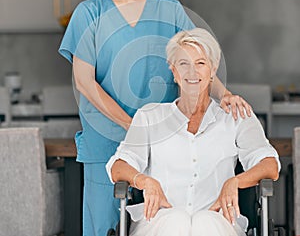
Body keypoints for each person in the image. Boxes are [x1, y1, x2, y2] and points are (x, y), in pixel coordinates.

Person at [59, 0, 252, 236]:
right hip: (105, 139)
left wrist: (224, 94)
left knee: (165, 223)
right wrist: (130, 125)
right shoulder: (89, 13)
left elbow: (196, 63)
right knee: (103, 227)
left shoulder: (170, 10)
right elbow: (84, 81)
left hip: (166, 142)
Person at [107, 28, 280, 236]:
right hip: (159, 222)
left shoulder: (236, 116)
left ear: (212, 69)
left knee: (205, 222)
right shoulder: (149, 116)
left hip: (218, 221)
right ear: (173, 70)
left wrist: (235, 181)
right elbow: (118, 167)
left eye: (200, 63)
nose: (192, 72)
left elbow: (269, 165)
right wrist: (145, 181)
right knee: (175, 220)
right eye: (183, 64)